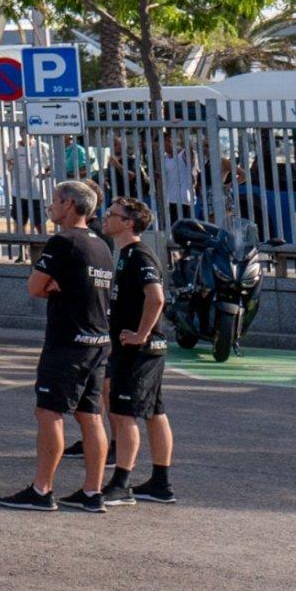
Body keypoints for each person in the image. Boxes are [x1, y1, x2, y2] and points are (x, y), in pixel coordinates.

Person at [0, 180, 115, 513]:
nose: (50, 207)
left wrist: (53, 287)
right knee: (91, 416)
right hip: (97, 341)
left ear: (68, 204)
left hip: (68, 342)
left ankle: (41, 490)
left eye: (54, 201)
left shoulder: (63, 242)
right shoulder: (101, 244)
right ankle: (93, 492)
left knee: (49, 412)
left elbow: (35, 287)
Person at [101, 198, 177, 504]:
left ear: (129, 223)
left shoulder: (138, 254)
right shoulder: (126, 254)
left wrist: (140, 334)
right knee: (154, 412)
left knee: (123, 412)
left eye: (113, 215)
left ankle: (121, 483)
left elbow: (156, 298)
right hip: (145, 349)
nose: (106, 218)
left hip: (140, 350)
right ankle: (161, 482)